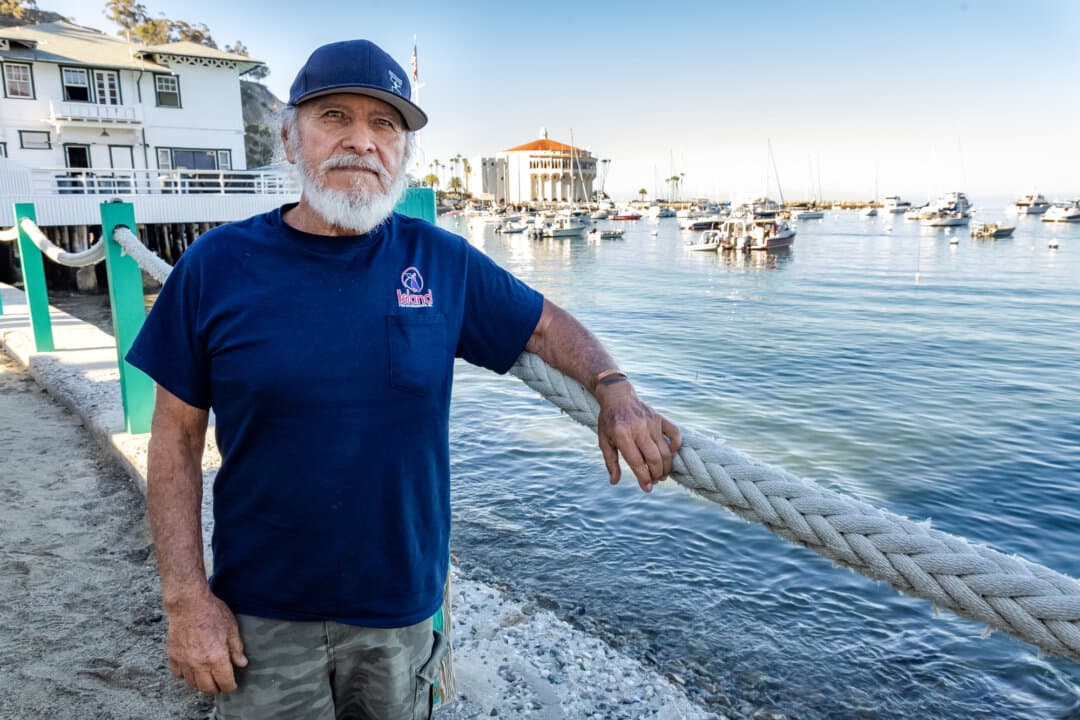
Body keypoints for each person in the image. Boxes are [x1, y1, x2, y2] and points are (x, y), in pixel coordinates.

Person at [127, 38, 681, 720]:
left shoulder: (440, 261)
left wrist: (614, 388)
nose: (362, 140)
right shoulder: (215, 267)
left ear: (402, 151)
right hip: (259, 614)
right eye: (335, 117)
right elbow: (174, 440)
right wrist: (186, 599)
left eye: (385, 124)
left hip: (399, 612)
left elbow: (543, 326)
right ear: (290, 135)